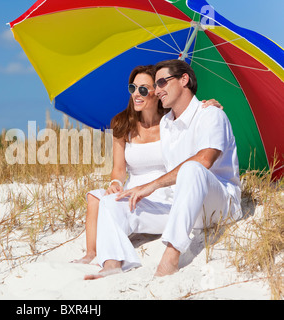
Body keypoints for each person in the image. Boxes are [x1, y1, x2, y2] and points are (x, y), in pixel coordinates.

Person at [86, 60, 242, 279]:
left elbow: (204, 160)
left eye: (161, 83)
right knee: (113, 202)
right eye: (156, 85)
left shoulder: (210, 115)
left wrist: (150, 186)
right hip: (180, 207)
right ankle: (112, 263)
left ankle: (171, 256)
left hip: (218, 205)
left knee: (192, 169)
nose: (157, 90)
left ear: (184, 80)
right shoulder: (167, 124)